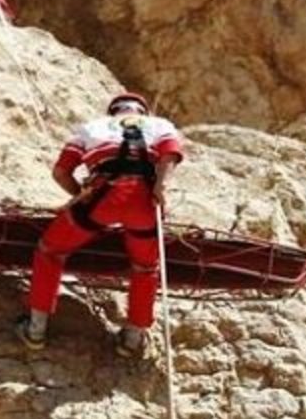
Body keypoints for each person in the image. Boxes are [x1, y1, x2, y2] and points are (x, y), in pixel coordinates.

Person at [16, 92, 185, 357]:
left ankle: (35, 329)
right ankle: (133, 338)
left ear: (113, 112)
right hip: (144, 203)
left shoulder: (90, 127)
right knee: (145, 267)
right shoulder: (160, 125)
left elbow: (60, 172)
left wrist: (79, 197)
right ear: (142, 112)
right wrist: (160, 187)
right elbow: (169, 154)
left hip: (101, 198)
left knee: (50, 249)